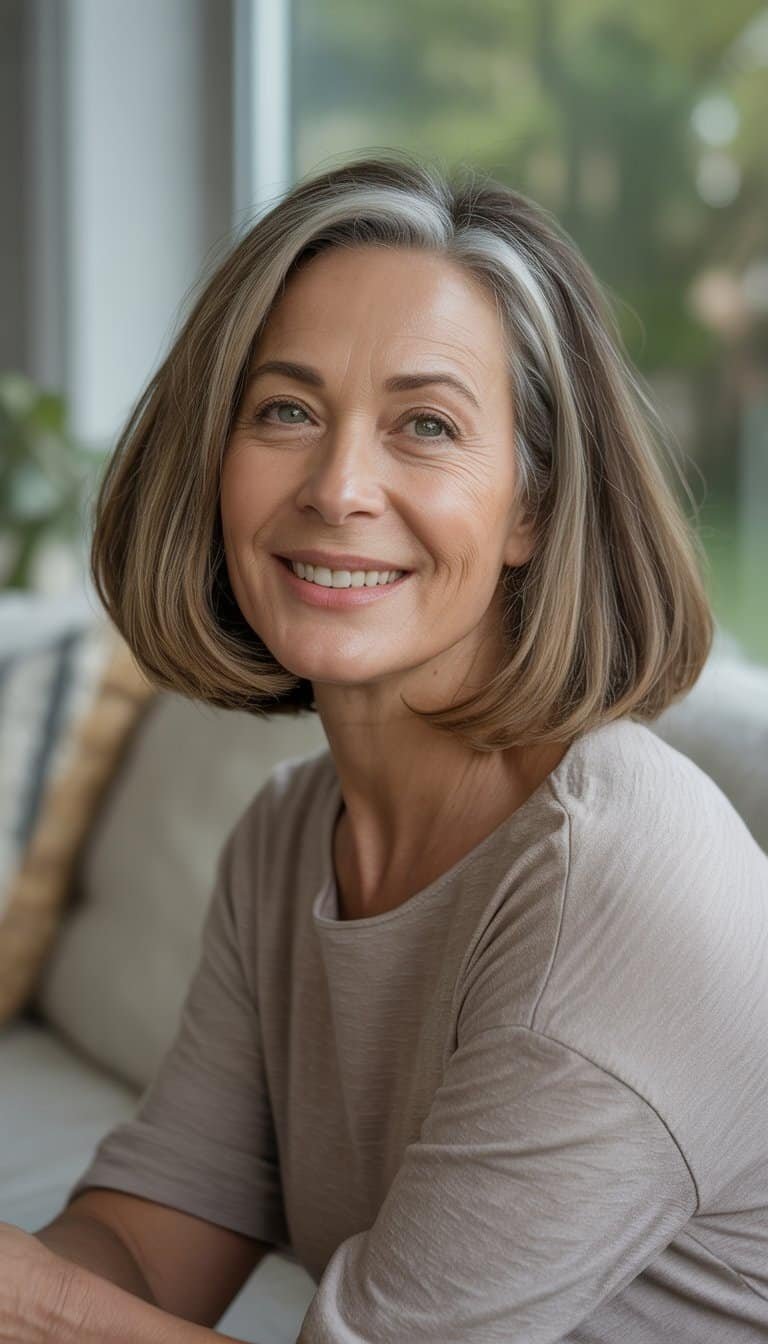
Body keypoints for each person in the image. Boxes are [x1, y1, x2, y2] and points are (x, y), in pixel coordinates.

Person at [4, 150, 768, 1343]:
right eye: (287, 411)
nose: (339, 485)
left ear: (530, 508)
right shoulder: (294, 836)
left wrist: (36, 1305)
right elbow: (152, 1237)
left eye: (426, 424)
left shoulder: (608, 899)